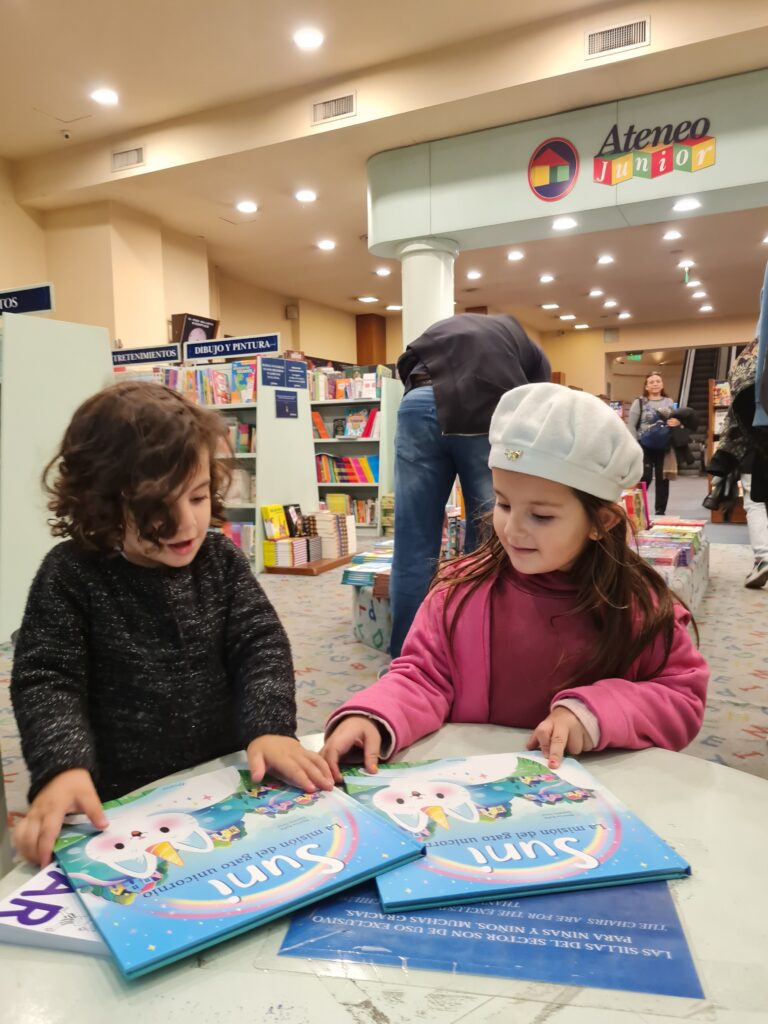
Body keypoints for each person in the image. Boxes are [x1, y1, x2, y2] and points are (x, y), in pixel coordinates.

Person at [11, 381, 333, 867]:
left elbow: (260, 644)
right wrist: (63, 767)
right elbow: (47, 680)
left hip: (224, 777)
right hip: (119, 800)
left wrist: (270, 728)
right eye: (158, 508)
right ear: (102, 504)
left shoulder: (220, 559)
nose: (186, 524)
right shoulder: (69, 574)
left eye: (199, 497)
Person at [321, 382, 708, 778]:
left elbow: (680, 698)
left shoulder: (637, 605)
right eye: (504, 503)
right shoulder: (459, 590)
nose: (512, 529)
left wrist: (591, 715)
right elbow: (421, 676)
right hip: (477, 789)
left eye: (541, 515)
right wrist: (374, 716)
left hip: (593, 800)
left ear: (601, 522)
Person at [389, 313, 551, 658]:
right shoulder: (529, 350)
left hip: (416, 402)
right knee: (488, 539)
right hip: (484, 409)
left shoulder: (450, 329)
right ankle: (475, 649)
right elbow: (538, 404)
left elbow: (405, 361)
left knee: (413, 541)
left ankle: (406, 658)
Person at [705, 340, 768, 587]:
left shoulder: (749, 356)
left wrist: (726, 452)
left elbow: (738, 403)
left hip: (753, 440)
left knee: (754, 501)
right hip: (754, 439)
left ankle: (763, 557)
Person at [628, 372, 681, 516]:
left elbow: (676, 419)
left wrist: (676, 422)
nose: (655, 384)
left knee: (663, 478)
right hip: (644, 445)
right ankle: (638, 507)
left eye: (658, 381)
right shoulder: (639, 402)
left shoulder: (669, 402)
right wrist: (635, 444)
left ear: (662, 384)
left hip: (664, 445)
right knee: (644, 476)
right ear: (646, 386)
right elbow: (631, 425)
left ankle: (660, 510)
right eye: (651, 382)